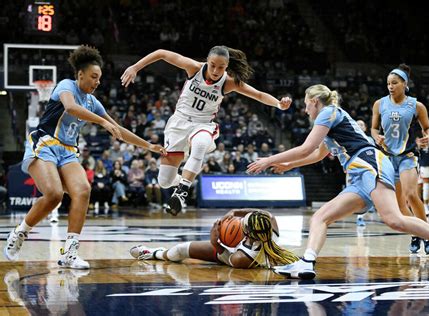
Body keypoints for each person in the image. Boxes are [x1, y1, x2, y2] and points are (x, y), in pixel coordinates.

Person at [247, 84, 429, 279]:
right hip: (358, 174)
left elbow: (306, 148)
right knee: (321, 217)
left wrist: (269, 160)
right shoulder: (330, 122)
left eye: (306, 104)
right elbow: (317, 154)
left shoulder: (328, 112)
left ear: (315, 101)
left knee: (394, 219)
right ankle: (307, 261)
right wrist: (288, 165)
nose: (305, 110)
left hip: (369, 162)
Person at [3, 45, 166, 269]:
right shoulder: (66, 86)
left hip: (68, 151)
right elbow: (70, 107)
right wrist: (101, 121)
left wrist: (149, 146)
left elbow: (118, 129)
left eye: (99, 78)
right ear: (80, 75)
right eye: (93, 77)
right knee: (54, 194)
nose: (97, 82)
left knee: (83, 190)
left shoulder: (92, 102)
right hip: (45, 144)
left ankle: (70, 253)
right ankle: (20, 232)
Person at [121, 45, 292, 216]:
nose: (216, 70)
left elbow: (259, 95)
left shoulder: (228, 82)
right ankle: (180, 181)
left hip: (203, 124)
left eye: (221, 67)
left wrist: (278, 104)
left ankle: (182, 192)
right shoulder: (194, 68)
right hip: (178, 125)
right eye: (213, 65)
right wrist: (135, 67)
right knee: (164, 181)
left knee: (200, 143)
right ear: (207, 61)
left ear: (227, 66)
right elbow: (162, 53)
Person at [371, 64, 429, 255]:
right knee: (399, 206)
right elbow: (374, 128)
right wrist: (376, 137)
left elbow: (427, 128)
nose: (390, 86)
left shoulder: (416, 105)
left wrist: (428, 137)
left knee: (410, 195)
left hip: (408, 155)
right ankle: (417, 234)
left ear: (404, 84)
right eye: (388, 83)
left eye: (394, 83)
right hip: (388, 158)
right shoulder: (379, 104)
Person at [129, 209, 299, 268]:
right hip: (236, 250)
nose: (239, 221)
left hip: (229, 254)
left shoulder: (243, 259)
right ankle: (158, 253)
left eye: (242, 222)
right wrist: (236, 212)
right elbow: (266, 214)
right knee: (182, 248)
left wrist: (215, 241)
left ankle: (153, 253)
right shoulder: (269, 225)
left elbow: (223, 256)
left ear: (247, 232)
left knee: (180, 250)